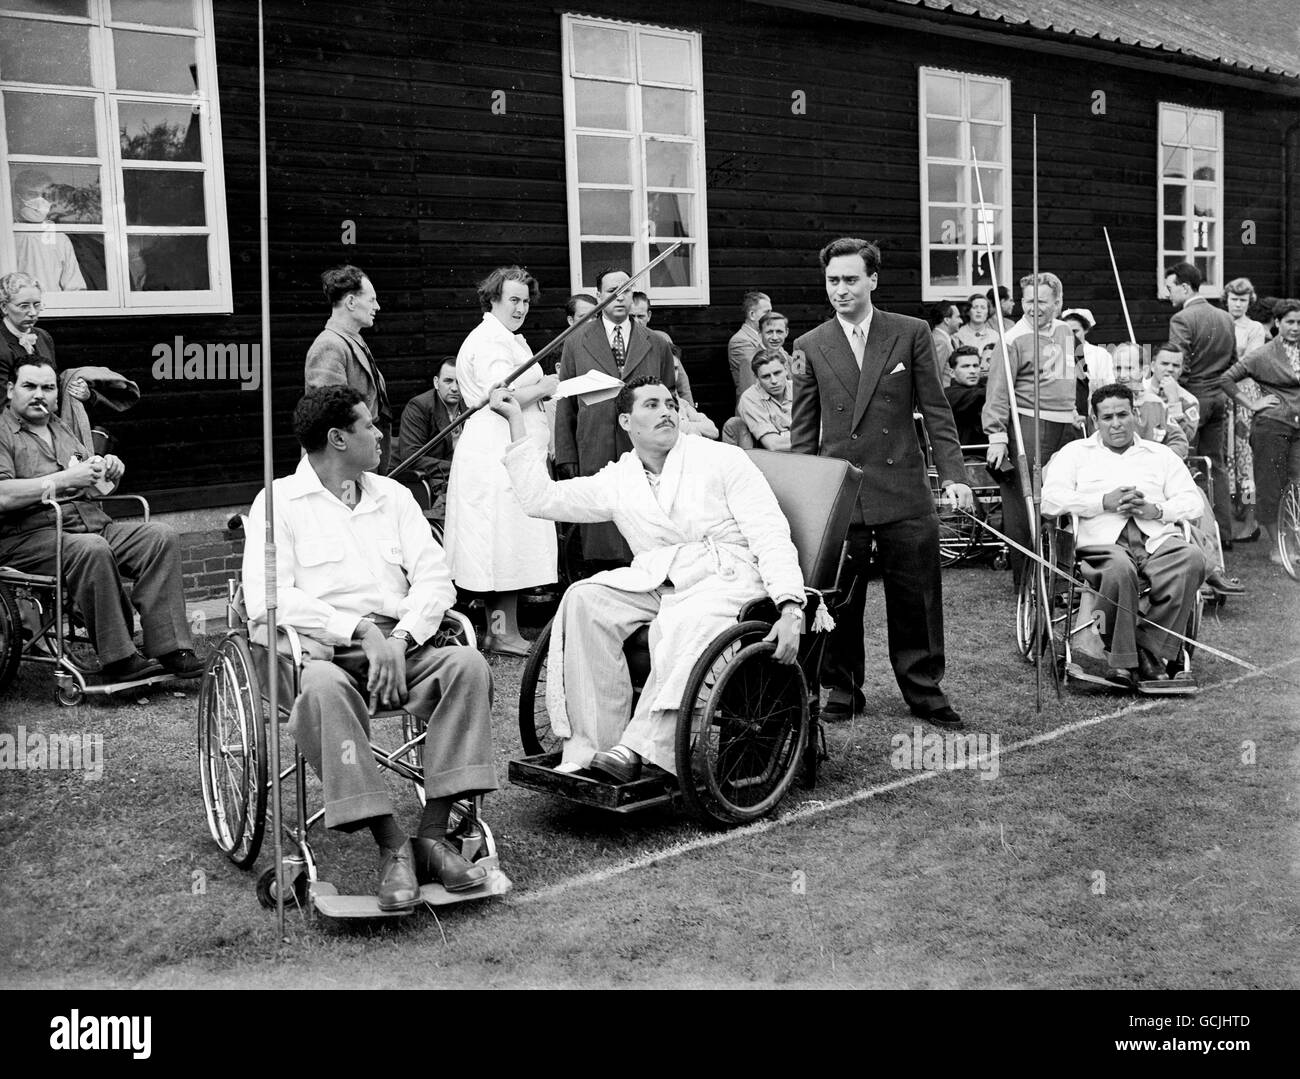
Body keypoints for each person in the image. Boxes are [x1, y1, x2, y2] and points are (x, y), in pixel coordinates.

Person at [242, 386, 498, 910]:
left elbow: (436, 578)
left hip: (402, 644)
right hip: (322, 651)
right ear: (338, 439)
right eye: (370, 426)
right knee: (320, 688)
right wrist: (361, 631)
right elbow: (267, 598)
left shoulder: (393, 495)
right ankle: (392, 846)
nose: (382, 435)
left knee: (467, 664)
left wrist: (400, 638)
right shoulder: (278, 502)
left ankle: (430, 836)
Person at [494, 376, 804, 780]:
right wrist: (516, 419)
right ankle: (592, 747)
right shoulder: (618, 478)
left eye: (671, 404)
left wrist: (790, 605)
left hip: (727, 577)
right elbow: (541, 499)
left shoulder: (722, 459)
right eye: (652, 405)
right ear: (626, 421)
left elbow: (770, 531)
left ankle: (639, 747)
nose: (666, 412)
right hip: (658, 577)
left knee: (685, 620)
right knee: (584, 598)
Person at [791, 237, 973, 728]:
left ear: (873, 279)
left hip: (905, 492)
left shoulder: (910, 333)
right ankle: (842, 688)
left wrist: (954, 476)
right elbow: (804, 432)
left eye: (851, 279)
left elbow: (937, 411)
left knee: (916, 598)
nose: (841, 290)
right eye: (833, 281)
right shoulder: (808, 345)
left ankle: (924, 688)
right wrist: (799, 501)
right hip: (839, 498)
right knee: (838, 601)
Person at [0, 359, 203, 683]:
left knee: (159, 536)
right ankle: (119, 659)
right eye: (30, 386)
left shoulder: (61, 427)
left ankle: (171, 648)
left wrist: (109, 469)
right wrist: (66, 478)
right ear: (11, 390)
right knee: (91, 548)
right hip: (30, 535)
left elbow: (94, 484)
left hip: (89, 521)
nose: (40, 395)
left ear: (57, 394)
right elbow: (3, 495)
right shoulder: (2, 432)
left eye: (48, 388)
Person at [1042, 383, 1207, 688]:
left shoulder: (1160, 455)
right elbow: (1051, 500)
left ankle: (1150, 650)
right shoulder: (1076, 453)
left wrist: (1155, 509)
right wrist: (1101, 501)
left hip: (1154, 538)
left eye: (1122, 414)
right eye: (1107, 417)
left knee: (1192, 558)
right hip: (1102, 540)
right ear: (1095, 420)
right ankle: (1124, 661)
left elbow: (1193, 501)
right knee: (1119, 570)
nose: (1116, 423)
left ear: (1135, 414)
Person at [443, 265, 558, 655]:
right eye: (513, 299)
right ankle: (501, 632)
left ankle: (500, 631)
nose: (521, 307)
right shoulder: (489, 341)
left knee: (507, 540)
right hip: (494, 452)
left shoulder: (509, 338)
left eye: (526, 301)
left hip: (508, 449)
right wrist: (545, 386)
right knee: (501, 540)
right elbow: (500, 397)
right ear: (493, 299)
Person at [554, 267, 676, 568]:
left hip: (644, 450)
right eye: (611, 291)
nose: (620, 297)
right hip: (595, 447)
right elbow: (565, 403)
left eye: (627, 291)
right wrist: (567, 454)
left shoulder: (657, 343)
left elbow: (670, 400)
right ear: (599, 296)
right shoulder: (576, 342)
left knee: (647, 530)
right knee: (602, 534)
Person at [982, 271, 1081, 586]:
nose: (1033, 308)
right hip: (1030, 424)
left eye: (1041, 301)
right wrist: (997, 437)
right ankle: (1027, 581)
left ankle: (1063, 574)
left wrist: (1077, 412)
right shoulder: (1011, 339)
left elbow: (1071, 377)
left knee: (1066, 497)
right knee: (1026, 504)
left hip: (1067, 425)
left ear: (1058, 302)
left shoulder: (1066, 330)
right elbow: (997, 391)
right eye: (1027, 301)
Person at [1219, 298, 1300, 566]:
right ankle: (1280, 545)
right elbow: (1227, 379)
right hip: (1271, 426)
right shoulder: (1264, 354)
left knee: (1297, 484)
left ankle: (1294, 538)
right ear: (1277, 323)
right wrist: (1253, 403)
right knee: (1270, 486)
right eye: (1289, 322)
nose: (1295, 327)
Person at [1164, 260, 1236, 548]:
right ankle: (1224, 535)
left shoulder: (1181, 319)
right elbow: (1232, 363)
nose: (1168, 294)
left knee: (1183, 465)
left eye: (1170, 288)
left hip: (1193, 400)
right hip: (1219, 398)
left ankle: (1198, 535)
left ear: (1184, 287)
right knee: (1215, 464)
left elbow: (1178, 367)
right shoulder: (1225, 317)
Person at [304, 265, 392, 472]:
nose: (377, 306)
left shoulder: (353, 340)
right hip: (348, 463)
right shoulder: (330, 346)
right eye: (372, 300)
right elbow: (331, 416)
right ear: (351, 302)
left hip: (365, 456)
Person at [1224, 277, 1268, 543]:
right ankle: (1228, 521)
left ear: (1248, 301)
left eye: (1242, 299)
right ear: (1226, 298)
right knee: (1224, 456)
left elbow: (1248, 363)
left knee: (1244, 458)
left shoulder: (1254, 329)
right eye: (1233, 298)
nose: (1237, 304)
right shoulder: (1220, 322)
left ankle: (1250, 521)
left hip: (1243, 395)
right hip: (1223, 393)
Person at [395, 357, 462, 528]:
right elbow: (410, 455)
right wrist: (458, 467)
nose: (454, 388)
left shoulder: (470, 407)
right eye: (448, 381)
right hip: (431, 480)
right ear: (436, 382)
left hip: (461, 478)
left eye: (459, 382)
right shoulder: (419, 406)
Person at [10, 170, 86, 293]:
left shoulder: (59, 238)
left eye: (45, 195)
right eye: (32, 194)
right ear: (17, 197)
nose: (40, 201)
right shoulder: (7, 236)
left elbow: (75, 288)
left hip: (54, 308)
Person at [629, 292, 694, 404]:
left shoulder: (662, 339)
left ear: (649, 316)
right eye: (631, 316)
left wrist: (690, 408)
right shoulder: (619, 343)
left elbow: (681, 382)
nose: (636, 321)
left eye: (640, 316)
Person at [1060, 307, 1115, 415]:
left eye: (1075, 331)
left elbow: (1108, 383)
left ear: (1085, 330)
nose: (1071, 336)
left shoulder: (1099, 354)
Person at [1143, 343, 1200, 445]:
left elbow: (1187, 438)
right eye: (1164, 364)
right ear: (1152, 366)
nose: (1170, 369)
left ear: (1181, 370)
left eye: (1176, 365)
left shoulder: (1190, 400)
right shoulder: (1139, 390)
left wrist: (1174, 401)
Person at [737, 349, 794, 450]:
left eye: (777, 373)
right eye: (766, 376)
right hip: (777, 458)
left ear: (786, 370)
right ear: (757, 378)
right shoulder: (750, 398)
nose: (774, 381)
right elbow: (773, 444)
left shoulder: (799, 390)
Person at [728, 290, 771, 399]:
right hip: (755, 406)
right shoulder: (740, 341)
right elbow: (758, 374)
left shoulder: (766, 337)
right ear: (752, 315)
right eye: (767, 312)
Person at [944, 345, 986, 447]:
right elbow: (977, 396)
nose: (972, 371)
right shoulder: (949, 395)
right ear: (952, 372)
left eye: (975, 366)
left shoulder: (983, 386)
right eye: (965, 366)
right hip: (966, 456)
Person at [955, 293, 1002, 380]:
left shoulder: (995, 336)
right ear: (968, 311)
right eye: (975, 307)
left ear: (988, 312)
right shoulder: (958, 335)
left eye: (983, 308)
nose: (979, 311)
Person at [927, 301, 960, 380]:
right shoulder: (940, 342)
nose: (961, 321)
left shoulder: (949, 339)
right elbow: (935, 376)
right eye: (958, 317)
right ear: (947, 320)